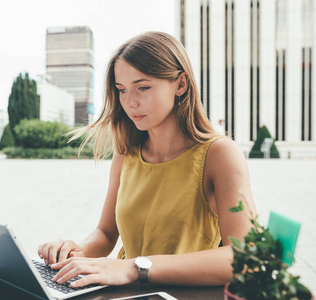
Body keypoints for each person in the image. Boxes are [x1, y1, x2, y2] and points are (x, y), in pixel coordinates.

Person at [38, 32, 256, 288]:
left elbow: (244, 259)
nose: (130, 102)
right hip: (125, 292)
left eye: (143, 87)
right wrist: (77, 252)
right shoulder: (126, 152)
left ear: (181, 84)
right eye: (122, 90)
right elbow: (106, 233)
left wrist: (134, 267)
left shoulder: (220, 154)